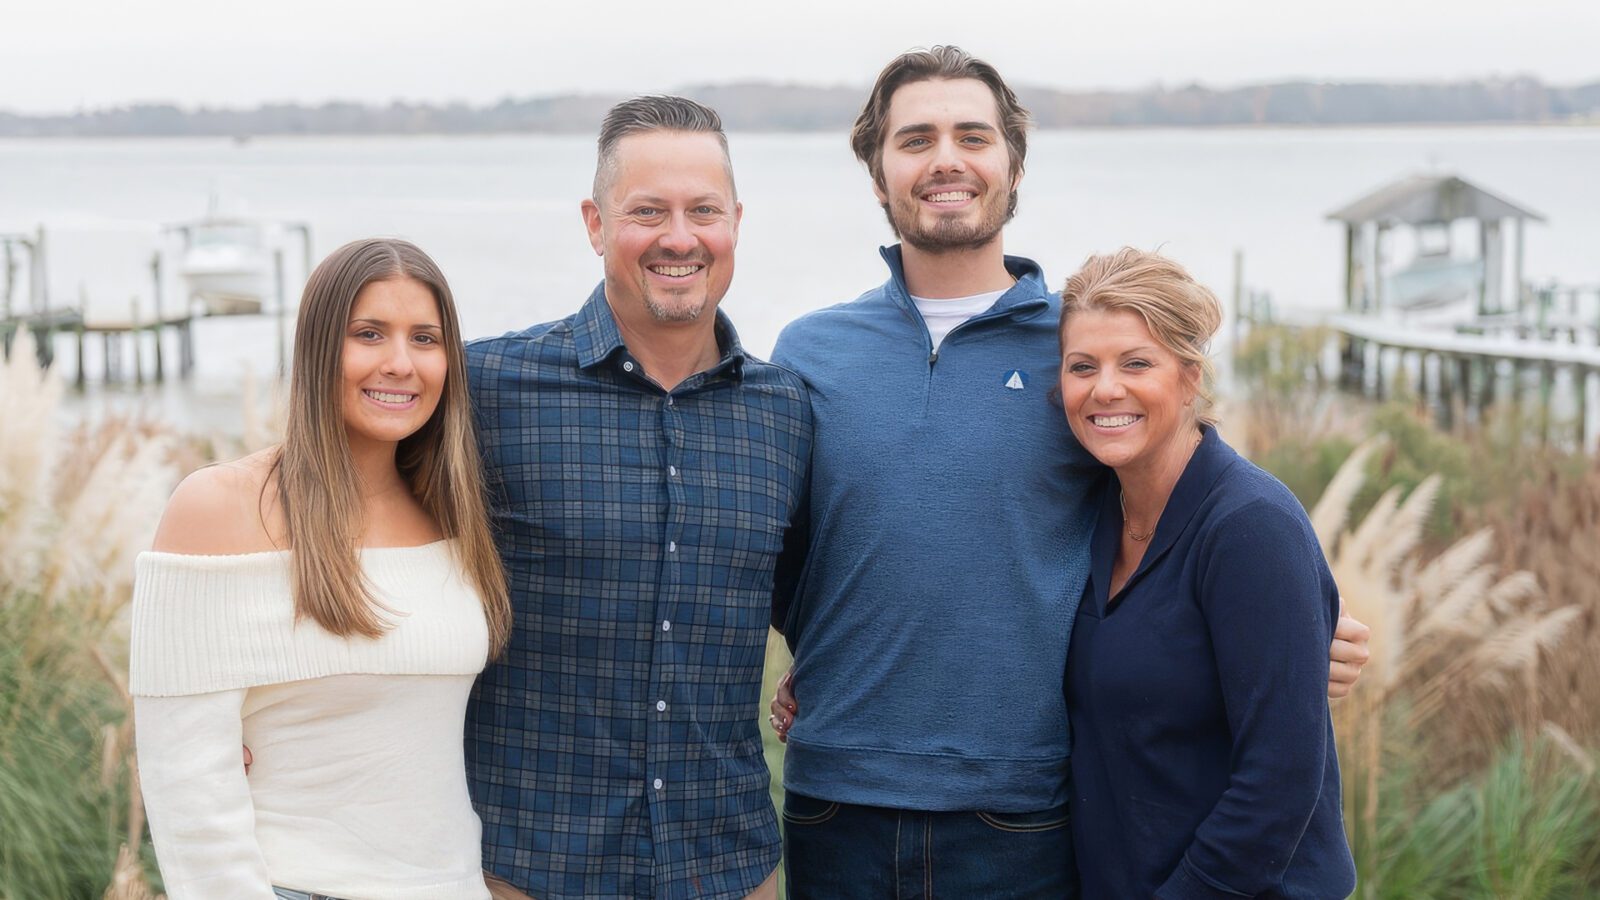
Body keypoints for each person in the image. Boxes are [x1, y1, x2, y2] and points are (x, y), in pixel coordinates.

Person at [767, 46, 1370, 897]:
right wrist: (825, 650)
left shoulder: (1076, 344)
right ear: (876, 171)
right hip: (835, 799)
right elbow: (786, 547)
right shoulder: (810, 351)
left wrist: (1306, 631)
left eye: (973, 136)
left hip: (1021, 812)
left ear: (1013, 164)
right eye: (916, 139)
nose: (947, 159)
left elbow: (1190, 480)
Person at [462, 96, 810, 900]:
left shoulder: (787, 411)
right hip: (527, 868)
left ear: (737, 221)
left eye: (703, 211)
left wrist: (818, 669)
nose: (679, 238)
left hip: (729, 866)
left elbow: (820, 595)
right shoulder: (487, 388)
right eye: (647, 211)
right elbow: (348, 532)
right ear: (594, 222)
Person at [131, 238, 512, 899]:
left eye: (425, 338)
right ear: (316, 349)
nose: (400, 363)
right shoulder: (219, 509)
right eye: (369, 334)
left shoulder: (453, 517)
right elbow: (187, 788)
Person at [1059, 248, 1357, 898]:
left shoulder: (1249, 526)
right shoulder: (1091, 518)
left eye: (1137, 363)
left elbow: (1279, 782)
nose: (1105, 388)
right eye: (1083, 367)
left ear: (1189, 378)